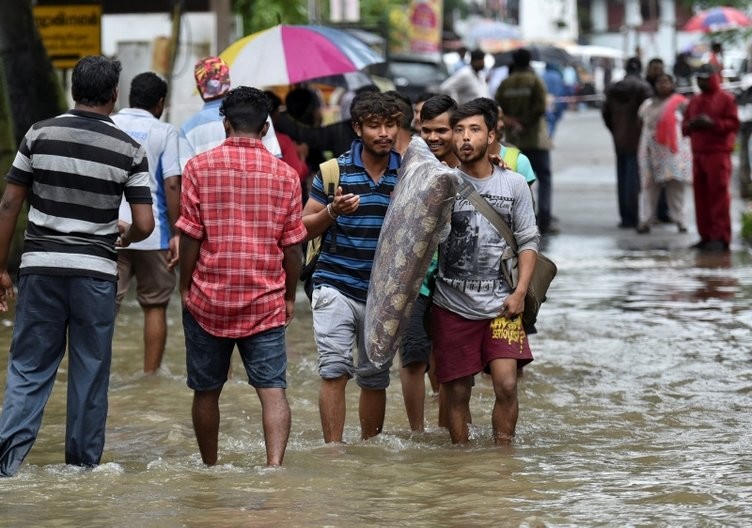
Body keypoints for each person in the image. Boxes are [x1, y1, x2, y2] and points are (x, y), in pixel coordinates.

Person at [0, 55, 154, 477]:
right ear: (112, 96)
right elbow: (145, 224)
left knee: (28, 369)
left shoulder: (38, 134)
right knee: (89, 370)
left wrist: (1, 269)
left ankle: (5, 466)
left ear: (73, 92)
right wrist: (124, 234)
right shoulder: (129, 149)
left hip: (40, 268)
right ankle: (83, 471)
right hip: (95, 275)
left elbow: (11, 202)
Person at [176, 86, 305, 467]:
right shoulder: (286, 176)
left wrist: (184, 287)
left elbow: (190, 238)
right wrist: (288, 297)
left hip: (207, 298)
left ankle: (210, 468)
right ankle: (274, 468)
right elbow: (293, 249)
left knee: (206, 391)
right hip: (264, 298)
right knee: (273, 391)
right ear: (266, 128)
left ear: (226, 124)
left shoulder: (197, 168)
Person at [431, 99, 539, 445]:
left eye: (474, 130)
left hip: (503, 304)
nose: (465, 138)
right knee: (458, 392)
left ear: (492, 136)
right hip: (451, 304)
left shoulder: (514, 185)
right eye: (459, 130)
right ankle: (462, 461)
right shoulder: (440, 185)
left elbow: (528, 240)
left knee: (506, 384)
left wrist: (520, 292)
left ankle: (501, 459)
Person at [302, 91, 403, 443]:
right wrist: (332, 211)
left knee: (375, 376)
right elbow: (302, 227)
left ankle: (369, 452)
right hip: (335, 284)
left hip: (384, 293)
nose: (384, 133)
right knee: (334, 371)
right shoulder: (333, 172)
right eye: (375, 126)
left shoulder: (408, 174)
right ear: (358, 128)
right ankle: (334, 453)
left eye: (390, 124)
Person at [111, 72, 181, 374]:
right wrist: (177, 232)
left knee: (103, 307)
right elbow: (173, 185)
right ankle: (150, 376)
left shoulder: (108, 123)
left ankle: (96, 373)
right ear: (160, 102)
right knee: (155, 306)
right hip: (154, 232)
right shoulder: (164, 131)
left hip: (110, 230)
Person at [178, 56, 281, 170]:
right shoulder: (257, 112)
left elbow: (186, 173)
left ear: (199, 87)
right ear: (228, 81)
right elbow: (276, 161)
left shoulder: (188, 129)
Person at [495, 48, 555, 234]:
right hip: (536, 139)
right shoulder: (535, 81)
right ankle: (544, 220)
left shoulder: (505, 84)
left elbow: (498, 109)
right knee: (544, 178)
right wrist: (525, 122)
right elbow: (540, 107)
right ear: (529, 61)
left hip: (514, 140)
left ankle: (521, 220)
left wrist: (512, 122)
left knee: (516, 180)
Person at [682, 64, 739, 252]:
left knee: (719, 196)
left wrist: (712, 124)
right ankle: (705, 235)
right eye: (699, 78)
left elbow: (733, 124)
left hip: (718, 154)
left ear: (714, 78)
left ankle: (720, 237)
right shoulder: (695, 101)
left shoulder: (725, 99)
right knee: (701, 197)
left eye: (706, 78)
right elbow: (684, 126)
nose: (702, 82)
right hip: (699, 153)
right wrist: (692, 125)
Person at [601, 56, 653, 229]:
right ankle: (632, 217)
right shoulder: (643, 88)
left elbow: (605, 114)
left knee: (622, 178)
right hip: (637, 139)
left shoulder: (614, 88)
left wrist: (615, 130)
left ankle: (625, 217)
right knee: (633, 180)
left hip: (619, 138)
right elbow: (649, 114)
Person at [636, 73, 692, 234]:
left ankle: (680, 220)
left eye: (666, 82)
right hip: (650, 150)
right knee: (649, 187)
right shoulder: (647, 105)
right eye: (660, 82)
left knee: (676, 187)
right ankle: (646, 220)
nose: (663, 85)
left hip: (673, 152)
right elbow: (640, 122)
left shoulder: (680, 103)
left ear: (672, 84)